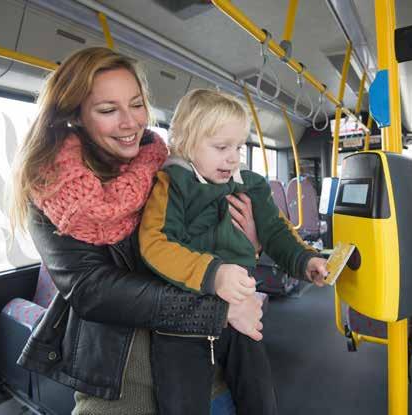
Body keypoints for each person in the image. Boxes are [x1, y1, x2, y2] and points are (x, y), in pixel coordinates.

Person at [10, 47, 265, 415]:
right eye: (108, 110)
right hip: (122, 393)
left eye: (136, 104)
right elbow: (92, 290)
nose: (131, 123)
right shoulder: (51, 188)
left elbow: (215, 249)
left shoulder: (171, 171)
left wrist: (248, 243)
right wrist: (217, 312)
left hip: (207, 375)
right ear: (75, 115)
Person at [139, 88, 329, 415]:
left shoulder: (250, 185)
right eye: (221, 147)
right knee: (182, 402)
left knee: (259, 395)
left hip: (240, 305)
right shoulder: (172, 185)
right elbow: (154, 243)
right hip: (184, 312)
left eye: (239, 147)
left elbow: (276, 230)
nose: (233, 157)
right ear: (185, 143)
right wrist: (213, 273)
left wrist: (304, 259)